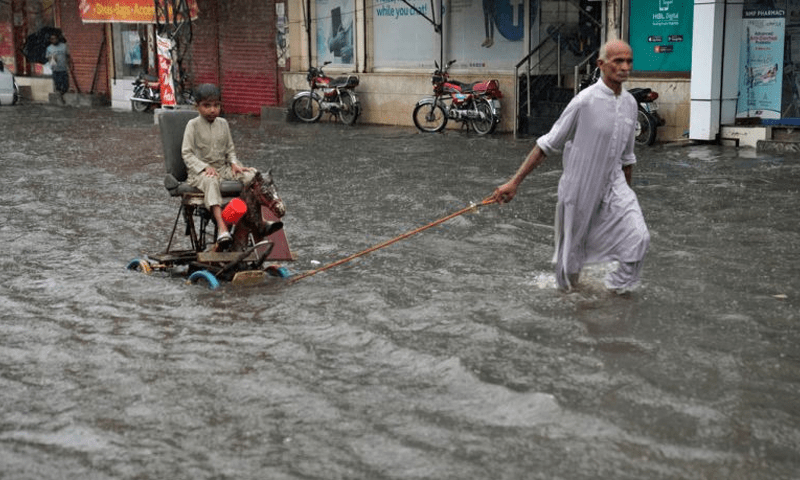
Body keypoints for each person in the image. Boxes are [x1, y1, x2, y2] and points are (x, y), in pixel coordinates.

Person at [492, 39, 650, 292]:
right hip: (579, 185)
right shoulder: (584, 101)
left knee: (638, 236)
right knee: (571, 257)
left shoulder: (631, 104)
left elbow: (627, 159)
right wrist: (514, 182)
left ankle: (618, 295)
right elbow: (547, 145)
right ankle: (569, 303)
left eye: (629, 61)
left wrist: (626, 199)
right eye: (618, 61)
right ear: (601, 64)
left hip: (614, 183)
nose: (625, 67)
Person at [182, 83, 257, 247]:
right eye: (207, 106)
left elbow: (230, 149)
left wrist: (234, 164)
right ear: (197, 106)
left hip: (223, 168)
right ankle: (222, 228)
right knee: (211, 180)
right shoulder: (192, 125)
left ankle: (255, 221)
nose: (212, 110)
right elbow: (186, 153)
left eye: (216, 105)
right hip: (199, 174)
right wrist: (203, 167)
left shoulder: (223, 123)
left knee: (253, 175)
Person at [46, 33, 70, 102]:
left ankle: (63, 95)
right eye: (52, 39)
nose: (54, 40)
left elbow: (68, 56)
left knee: (65, 86)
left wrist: (69, 64)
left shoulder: (63, 46)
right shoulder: (50, 48)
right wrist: (53, 65)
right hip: (56, 70)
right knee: (58, 86)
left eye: (55, 38)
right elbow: (50, 59)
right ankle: (60, 98)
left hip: (64, 69)